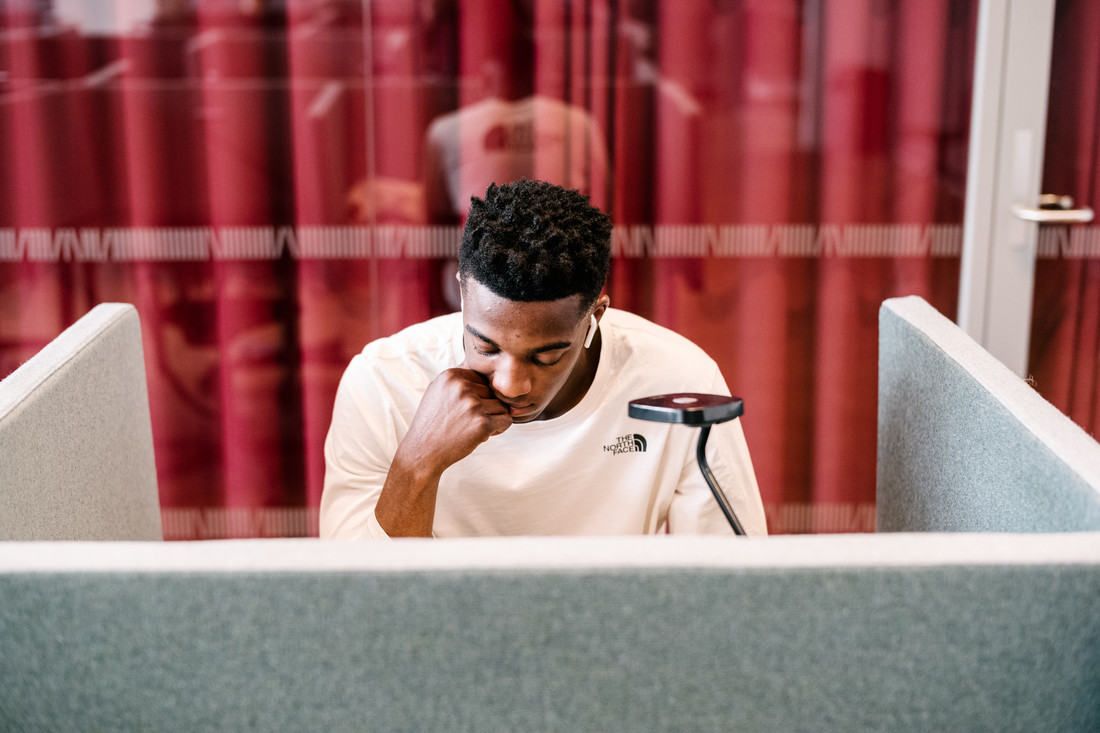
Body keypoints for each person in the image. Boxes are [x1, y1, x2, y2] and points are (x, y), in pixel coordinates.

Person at [320, 179, 767, 538]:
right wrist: (418, 463)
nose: (511, 384)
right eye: (486, 347)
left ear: (595, 314)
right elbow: (355, 604)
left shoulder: (678, 383)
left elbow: (731, 582)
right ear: (461, 292)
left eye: (547, 357)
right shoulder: (381, 381)